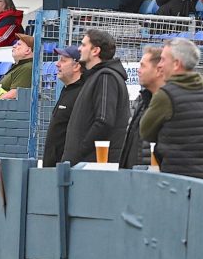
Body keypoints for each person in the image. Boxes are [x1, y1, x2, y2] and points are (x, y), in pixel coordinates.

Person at [140, 39, 203, 181]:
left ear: (176, 64)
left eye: (163, 60)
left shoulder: (166, 95)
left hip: (177, 181)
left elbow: (145, 132)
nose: (159, 65)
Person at [61, 29, 130, 164]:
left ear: (95, 51)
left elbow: (104, 121)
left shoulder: (106, 77)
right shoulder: (96, 76)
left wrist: (80, 150)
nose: (79, 49)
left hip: (92, 166)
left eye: (84, 45)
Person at [41, 45, 85, 168]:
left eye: (63, 61)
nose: (57, 64)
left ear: (77, 66)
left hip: (66, 171)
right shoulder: (67, 89)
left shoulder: (82, 94)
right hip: (55, 169)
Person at [119, 46, 163, 169]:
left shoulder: (167, 103)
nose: (138, 70)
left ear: (158, 70)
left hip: (151, 179)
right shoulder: (143, 99)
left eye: (143, 66)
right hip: (135, 175)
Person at [0, 34, 34, 100]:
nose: (14, 46)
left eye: (18, 44)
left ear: (28, 51)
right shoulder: (20, 66)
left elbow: (14, 93)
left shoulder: (27, 68)